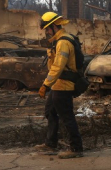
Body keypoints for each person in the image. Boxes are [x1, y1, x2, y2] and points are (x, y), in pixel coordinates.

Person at [33, 12, 84, 159]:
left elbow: (58, 67)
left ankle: (76, 148)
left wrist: (45, 85)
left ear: (55, 26)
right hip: (57, 84)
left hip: (64, 85)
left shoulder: (63, 42)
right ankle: (50, 143)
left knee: (66, 116)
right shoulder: (58, 41)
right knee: (50, 112)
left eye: (48, 29)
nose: (47, 32)